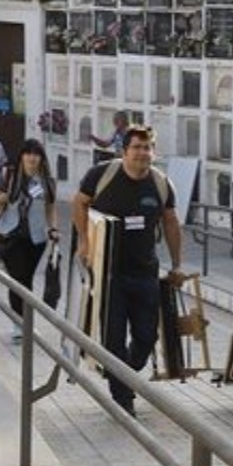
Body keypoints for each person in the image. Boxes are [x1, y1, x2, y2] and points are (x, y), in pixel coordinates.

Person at [72, 125, 184, 417]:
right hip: (109, 274)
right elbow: (79, 203)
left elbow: (171, 223)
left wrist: (177, 265)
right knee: (113, 337)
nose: (142, 153)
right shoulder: (102, 175)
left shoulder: (160, 184)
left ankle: (119, 373)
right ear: (124, 151)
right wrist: (84, 241)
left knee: (147, 337)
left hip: (145, 271)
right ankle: (123, 398)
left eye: (147, 148)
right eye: (136, 147)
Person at [0, 139, 59, 342]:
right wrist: (2, 198)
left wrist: (54, 228)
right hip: (9, 235)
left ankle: (24, 322)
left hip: (36, 238)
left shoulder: (46, 181)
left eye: (36, 154)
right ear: (21, 156)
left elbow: (51, 207)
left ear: (41, 158)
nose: (32, 157)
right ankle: (19, 325)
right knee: (18, 280)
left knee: (26, 281)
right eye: (28, 153)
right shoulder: (10, 175)